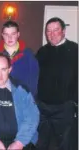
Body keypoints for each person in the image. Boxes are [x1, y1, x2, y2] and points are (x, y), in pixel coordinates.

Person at [35, 17, 78, 150]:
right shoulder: (42, 52)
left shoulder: (75, 50)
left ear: (63, 31)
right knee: (41, 143)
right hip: (43, 108)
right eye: (48, 31)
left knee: (64, 145)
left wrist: (75, 102)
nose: (52, 34)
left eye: (56, 30)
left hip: (64, 108)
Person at [0, 20, 39, 96]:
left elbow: (34, 79)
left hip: (22, 98)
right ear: (2, 35)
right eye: (6, 34)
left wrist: (30, 97)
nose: (10, 37)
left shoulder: (28, 55)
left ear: (18, 34)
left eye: (13, 34)